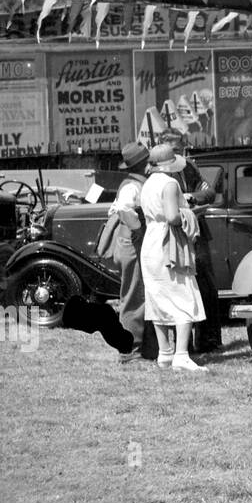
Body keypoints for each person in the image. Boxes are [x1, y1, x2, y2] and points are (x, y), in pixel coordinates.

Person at [139, 143, 207, 372]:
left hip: (150, 243)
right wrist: (189, 213)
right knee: (184, 296)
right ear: (170, 164)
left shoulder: (147, 184)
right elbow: (172, 217)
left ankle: (164, 353)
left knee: (157, 298)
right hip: (169, 244)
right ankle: (181, 355)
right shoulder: (170, 183)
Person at [97, 141, 157, 362]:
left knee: (137, 293)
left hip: (130, 241)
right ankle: (129, 351)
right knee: (134, 295)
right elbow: (123, 208)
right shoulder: (133, 186)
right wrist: (138, 227)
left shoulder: (132, 183)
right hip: (132, 242)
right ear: (143, 163)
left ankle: (141, 347)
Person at [169, 147, 222, 352]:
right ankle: (183, 344)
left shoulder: (190, 167)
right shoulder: (156, 175)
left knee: (206, 287)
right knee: (179, 288)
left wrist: (191, 196)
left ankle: (208, 339)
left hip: (196, 232)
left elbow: (209, 191)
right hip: (173, 234)